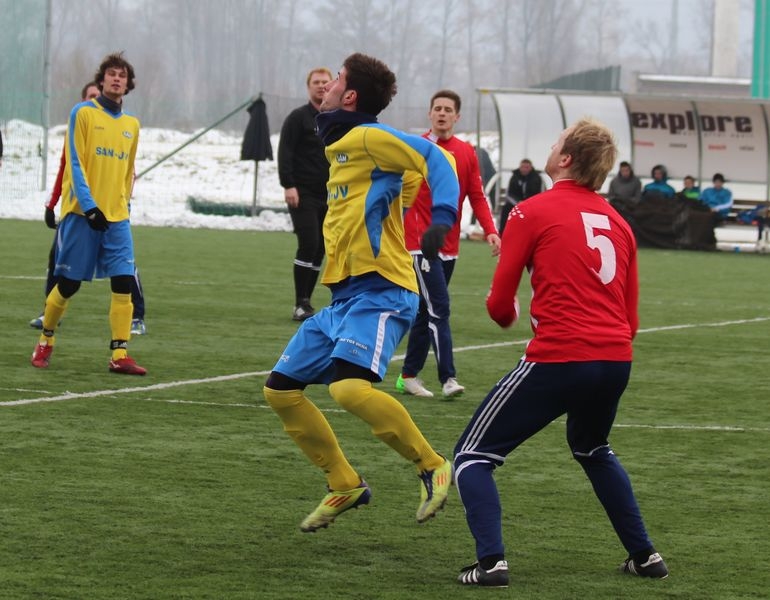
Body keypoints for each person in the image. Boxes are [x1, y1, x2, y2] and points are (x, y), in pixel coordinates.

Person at [453, 118, 667, 587]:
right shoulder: (619, 224)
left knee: (471, 457)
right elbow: (630, 321)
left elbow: (498, 304)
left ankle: (491, 564)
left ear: (565, 159)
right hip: (614, 360)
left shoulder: (530, 211)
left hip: (559, 356)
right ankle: (646, 556)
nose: (551, 149)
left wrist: (508, 316)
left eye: (556, 144)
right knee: (593, 447)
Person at [262, 52, 458, 533]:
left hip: (384, 292)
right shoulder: (344, 144)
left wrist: (443, 217)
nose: (325, 84)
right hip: (345, 298)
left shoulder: (368, 136)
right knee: (281, 390)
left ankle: (432, 465)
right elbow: (404, 177)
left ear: (349, 96)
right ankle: (344, 482)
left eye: (337, 80)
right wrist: (400, 188)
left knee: (348, 388)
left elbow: (439, 157)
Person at [30, 52, 146, 375]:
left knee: (124, 281)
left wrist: (123, 205)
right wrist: (89, 205)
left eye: (122, 75)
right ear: (101, 79)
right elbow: (75, 164)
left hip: (116, 217)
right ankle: (46, 338)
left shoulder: (132, 125)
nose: (116, 79)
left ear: (128, 84)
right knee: (68, 284)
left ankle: (119, 354)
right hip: (82, 215)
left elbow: (127, 171)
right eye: (111, 73)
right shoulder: (81, 114)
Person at [396, 89, 501, 398]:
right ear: (430, 114)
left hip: (450, 246)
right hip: (419, 244)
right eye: (437, 108)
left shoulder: (467, 153)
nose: (442, 113)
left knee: (425, 313)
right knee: (439, 307)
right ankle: (448, 378)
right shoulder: (416, 148)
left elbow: (477, 196)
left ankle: (408, 375)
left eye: (447, 109)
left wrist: (491, 230)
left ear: (457, 117)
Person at [278, 67, 333, 321]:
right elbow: (285, 152)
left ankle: (307, 303)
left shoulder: (336, 119)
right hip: (303, 194)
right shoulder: (298, 118)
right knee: (308, 243)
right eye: (316, 82)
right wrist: (288, 185)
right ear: (308, 86)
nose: (321, 86)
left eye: (325, 82)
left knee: (321, 248)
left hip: (331, 195)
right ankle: (299, 302)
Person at [499, 158, 543, 236]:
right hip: (516, 204)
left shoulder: (537, 178)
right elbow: (510, 194)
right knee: (506, 209)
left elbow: (539, 194)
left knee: (538, 213)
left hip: (532, 205)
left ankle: (534, 235)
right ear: (520, 167)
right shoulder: (515, 176)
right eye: (523, 167)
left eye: (527, 167)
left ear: (531, 167)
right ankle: (502, 235)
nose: (524, 169)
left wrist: (527, 203)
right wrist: (518, 203)